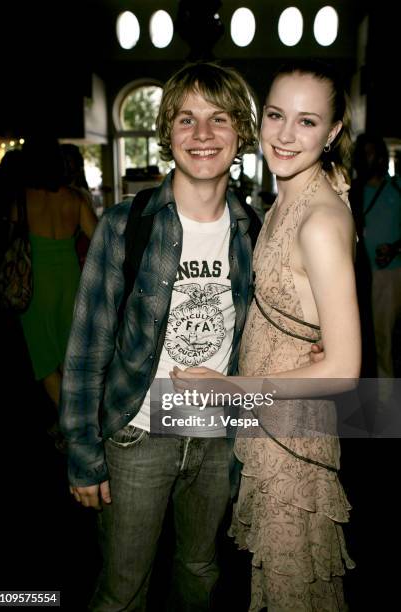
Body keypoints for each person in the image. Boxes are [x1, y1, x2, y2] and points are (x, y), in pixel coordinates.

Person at [59, 61, 260, 611]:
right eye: (186, 120)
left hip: (219, 440)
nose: (202, 135)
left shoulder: (255, 232)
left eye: (218, 119)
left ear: (240, 131)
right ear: (167, 133)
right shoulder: (126, 225)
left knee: (200, 572)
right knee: (123, 590)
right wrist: (82, 453)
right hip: (138, 435)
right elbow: (85, 350)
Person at [172, 59, 361, 611]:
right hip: (268, 423)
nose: (284, 134)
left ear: (332, 133)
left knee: (291, 589)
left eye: (307, 122)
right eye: (277, 115)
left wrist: (230, 390)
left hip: (293, 437)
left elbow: (345, 371)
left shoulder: (319, 218)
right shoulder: (286, 198)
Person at [15, 136, 97, 445]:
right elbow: (98, 237)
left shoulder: (21, 198)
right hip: (71, 282)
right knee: (69, 357)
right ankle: (78, 421)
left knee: (45, 360)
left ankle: (70, 428)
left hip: (36, 287)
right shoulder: (74, 198)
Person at [351, 134, 401, 405]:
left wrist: (395, 247)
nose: (370, 158)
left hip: (394, 272)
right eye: (365, 153)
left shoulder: (396, 188)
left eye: (373, 152)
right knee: (379, 340)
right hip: (370, 277)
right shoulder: (354, 192)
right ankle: (385, 403)